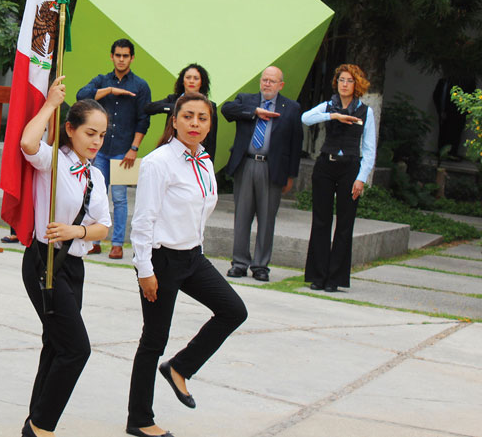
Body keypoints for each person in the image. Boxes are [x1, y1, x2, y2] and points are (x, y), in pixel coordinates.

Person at [127, 92, 247, 437]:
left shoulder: (204, 160)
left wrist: (198, 249)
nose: (195, 123)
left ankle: (179, 367)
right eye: (188, 116)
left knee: (233, 310)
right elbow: (143, 221)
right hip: (161, 259)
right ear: (175, 121)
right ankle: (140, 419)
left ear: (209, 124)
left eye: (202, 118)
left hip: (193, 257)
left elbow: (199, 213)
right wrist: (145, 270)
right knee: (154, 340)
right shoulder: (158, 162)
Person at [18, 76, 111, 437]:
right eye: (90, 133)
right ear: (70, 129)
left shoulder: (95, 175)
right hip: (45, 262)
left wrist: (77, 232)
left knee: (56, 345)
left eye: (101, 135)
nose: (96, 141)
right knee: (76, 349)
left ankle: (34, 420)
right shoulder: (53, 161)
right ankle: (42, 427)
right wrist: (50, 104)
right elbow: (28, 142)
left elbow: (103, 227)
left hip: (73, 267)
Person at [220, 66, 303, 282]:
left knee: (266, 219)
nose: (267, 84)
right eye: (264, 79)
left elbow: (296, 144)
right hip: (246, 164)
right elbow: (226, 110)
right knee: (242, 216)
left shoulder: (291, 108)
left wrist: (291, 175)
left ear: (280, 85)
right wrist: (255, 112)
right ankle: (239, 263)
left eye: (272, 81)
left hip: (271, 168)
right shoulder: (246, 100)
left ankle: (260, 266)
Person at [302, 64, 377, 293]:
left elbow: (369, 149)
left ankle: (335, 278)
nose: (344, 84)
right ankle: (318, 275)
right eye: (341, 80)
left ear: (357, 85)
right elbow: (306, 118)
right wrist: (332, 115)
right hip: (326, 164)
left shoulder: (365, 111)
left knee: (345, 223)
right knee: (321, 221)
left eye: (349, 81)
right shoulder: (329, 105)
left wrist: (361, 178)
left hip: (350, 167)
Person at [77, 38, 151, 259]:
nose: (121, 59)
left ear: (132, 58)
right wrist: (109, 90)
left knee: (119, 198)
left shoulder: (140, 86)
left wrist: (134, 148)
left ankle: (117, 243)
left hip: (123, 150)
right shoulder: (102, 80)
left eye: (125, 56)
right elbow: (81, 96)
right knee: (95, 195)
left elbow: (143, 120)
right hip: (99, 149)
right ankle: (94, 240)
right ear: (112, 56)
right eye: (117, 55)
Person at [145, 63, 219, 161]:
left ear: (202, 82)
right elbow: (148, 108)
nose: (191, 81)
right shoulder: (173, 99)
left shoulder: (209, 106)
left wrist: (209, 162)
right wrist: (175, 108)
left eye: (196, 78)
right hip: (172, 149)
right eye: (188, 77)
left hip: (196, 153)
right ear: (182, 81)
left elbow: (211, 139)